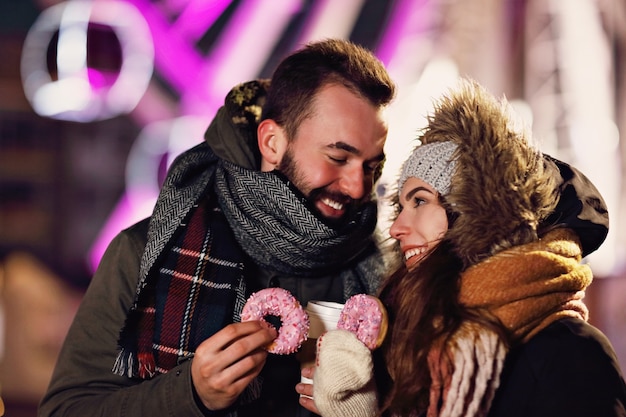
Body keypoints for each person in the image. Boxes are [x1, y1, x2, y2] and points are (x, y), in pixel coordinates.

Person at [38, 38, 396, 417]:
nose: (358, 187)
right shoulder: (144, 254)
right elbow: (64, 411)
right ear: (273, 143)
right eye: (338, 157)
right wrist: (190, 393)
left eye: (372, 166)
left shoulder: (388, 272)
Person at [299, 78, 626, 417]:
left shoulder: (568, 351)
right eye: (401, 206)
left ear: (479, 214)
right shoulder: (410, 348)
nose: (396, 228)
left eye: (421, 201)